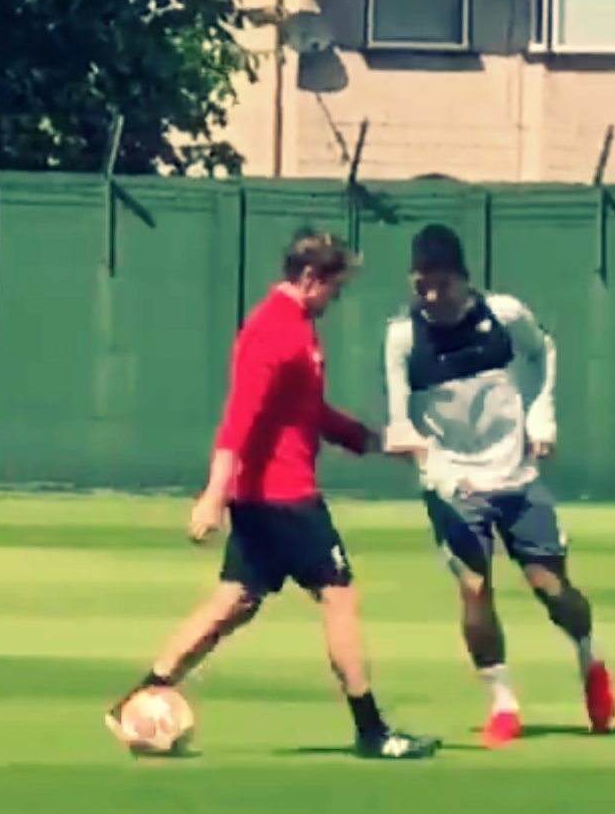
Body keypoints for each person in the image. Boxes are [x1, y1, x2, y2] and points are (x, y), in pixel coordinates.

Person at [106, 230, 440, 760]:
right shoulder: (271, 331)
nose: (336, 298)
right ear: (310, 279)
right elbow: (238, 420)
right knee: (339, 595)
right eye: (334, 287)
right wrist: (213, 495)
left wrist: (373, 440)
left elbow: (311, 412)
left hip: (270, 497)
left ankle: (141, 694)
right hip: (282, 498)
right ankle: (374, 732)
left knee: (235, 602)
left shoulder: (300, 329)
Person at [382, 223, 615, 748]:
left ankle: (590, 657)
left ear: (464, 279)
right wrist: (410, 445)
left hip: (517, 476)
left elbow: (544, 351)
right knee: (473, 589)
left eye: (442, 283)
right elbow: (399, 416)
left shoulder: (505, 316)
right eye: (422, 285)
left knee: (552, 591)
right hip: (456, 487)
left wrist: (542, 418)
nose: (433, 296)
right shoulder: (403, 336)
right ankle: (503, 702)